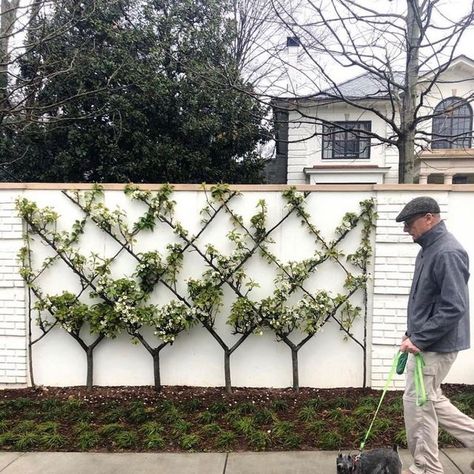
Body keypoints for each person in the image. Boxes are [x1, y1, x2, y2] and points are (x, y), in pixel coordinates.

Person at [395, 196, 474, 474]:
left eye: (409, 223)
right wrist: (411, 334)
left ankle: (426, 469)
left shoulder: (447, 252)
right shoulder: (429, 249)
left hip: (436, 345)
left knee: (418, 404)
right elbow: (425, 300)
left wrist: (420, 338)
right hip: (428, 342)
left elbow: (453, 307)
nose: (406, 230)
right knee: (430, 400)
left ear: (429, 218)